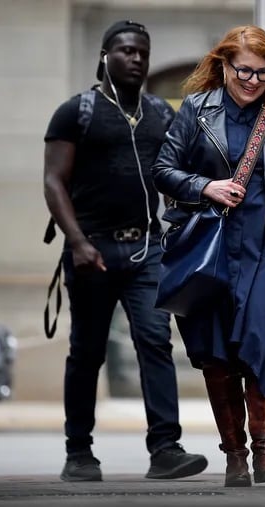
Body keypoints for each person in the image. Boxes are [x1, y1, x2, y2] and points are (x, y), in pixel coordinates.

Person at [150, 25, 265, 488]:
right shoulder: (195, 110)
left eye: (262, 73)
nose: (252, 80)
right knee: (217, 352)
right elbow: (162, 169)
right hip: (210, 250)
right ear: (224, 64)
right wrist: (206, 186)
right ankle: (235, 456)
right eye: (244, 70)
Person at [43, 20, 207, 482]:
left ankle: (166, 449)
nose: (136, 59)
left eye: (143, 53)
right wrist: (77, 242)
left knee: (155, 341)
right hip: (91, 249)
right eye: (126, 51)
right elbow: (53, 181)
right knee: (87, 351)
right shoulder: (76, 112)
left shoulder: (159, 113)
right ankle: (79, 452)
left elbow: (176, 175)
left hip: (146, 250)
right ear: (105, 56)